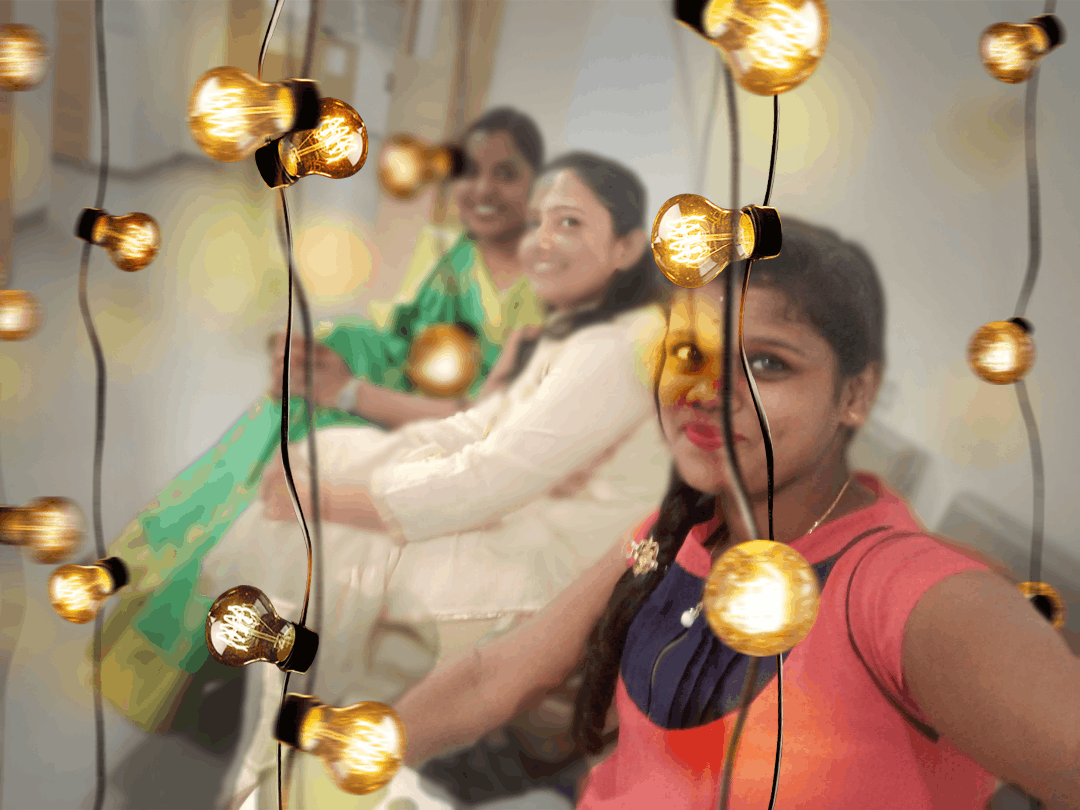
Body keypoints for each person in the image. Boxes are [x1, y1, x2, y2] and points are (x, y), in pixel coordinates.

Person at [380, 219, 1080, 810]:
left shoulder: (909, 594)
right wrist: (355, 748)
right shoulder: (675, 533)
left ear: (854, 395)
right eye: (689, 352)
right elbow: (494, 676)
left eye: (767, 363)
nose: (707, 390)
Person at [206, 151, 675, 809]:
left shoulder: (619, 348)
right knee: (325, 461)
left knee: (312, 550)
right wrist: (348, 469)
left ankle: (278, 773)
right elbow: (479, 427)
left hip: (548, 570)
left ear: (624, 246)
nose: (541, 240)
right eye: (539, 222)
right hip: (514, 518)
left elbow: (490, 477)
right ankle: (276, 763)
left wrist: (330, 501)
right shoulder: (574, 333)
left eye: (568, 222)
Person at [92, 108, 548, 734]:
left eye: (507, 173)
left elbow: (488, 418)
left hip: (449, 436)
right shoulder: (457, 254)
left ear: (536, 185)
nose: (483, 189)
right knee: (302, 390)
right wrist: (321, 351)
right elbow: (403, 339)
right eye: (470, 171)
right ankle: (207, 608)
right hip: (403, 399)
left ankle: (212, 625)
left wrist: (351, 390)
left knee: (309, 420)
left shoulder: (545, 287)